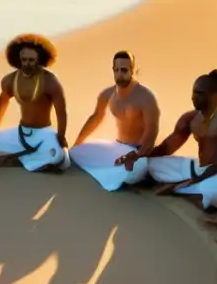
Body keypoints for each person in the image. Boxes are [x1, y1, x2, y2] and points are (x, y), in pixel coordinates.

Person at [144, 69, 217, 209]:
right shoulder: (190, 118)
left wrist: (193, 181)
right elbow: (166, 148)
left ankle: (184, 189)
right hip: (197, 168)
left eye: (200, 94)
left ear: (215, 95)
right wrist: (141, 157)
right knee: (146, 165)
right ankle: (189, 190)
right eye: (194, 92)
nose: (193, 97)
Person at [69, 51, 161, 191]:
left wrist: (138, 154)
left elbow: (151, 131)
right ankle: (114, 172)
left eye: (124, 70)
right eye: (116, 70)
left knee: (132, 171)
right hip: (117, 147)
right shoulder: (108, 94)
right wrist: (77, 144)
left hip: (138, 152)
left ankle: (124, 173)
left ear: (133, 70)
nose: (120, 74)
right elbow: (96, 118)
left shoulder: (146, 97)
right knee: (75, 153)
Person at [0, 34, 70, 173]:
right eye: (24, 60)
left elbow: (61, 111)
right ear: (18, 60)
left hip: (44, 132)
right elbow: (3, 101)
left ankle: (18, 159)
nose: (27, 64)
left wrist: (61, 135)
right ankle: (32, 159)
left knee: (59, 157)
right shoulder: (10, 80)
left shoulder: (50, 81)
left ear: (39, 59)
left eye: (31, 60)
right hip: (21, 133)